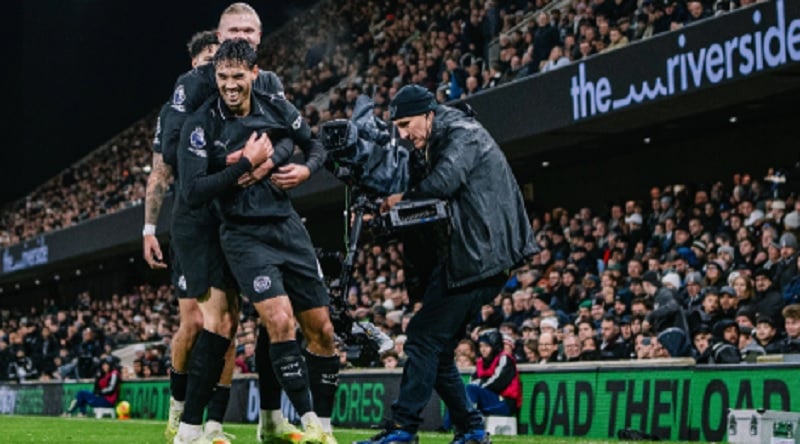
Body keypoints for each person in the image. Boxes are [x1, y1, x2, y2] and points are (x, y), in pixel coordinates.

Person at [176, 38, 335, 444]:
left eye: (237, 77)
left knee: (323, 331)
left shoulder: (274, 105)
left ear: (253, 74)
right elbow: (193, 191)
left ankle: (315, 425)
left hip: (287, 227)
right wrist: (245, 164)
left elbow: (312, 143)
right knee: (275, 321)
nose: (229, 85)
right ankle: (309, 420)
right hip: (242, 233)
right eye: (222, 77)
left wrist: (305, 170)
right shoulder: (200, 122)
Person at [358, 84, 535, 444]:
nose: (404, 135)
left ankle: (404, 428)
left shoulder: (463, 133)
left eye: (407, 125)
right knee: (434, 350)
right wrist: (382, 215)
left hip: (480, 258)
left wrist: (399, 199)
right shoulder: (430, 145)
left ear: (429, 114)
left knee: (422, 338)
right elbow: (421, 220)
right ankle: (470, 428)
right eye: (399, 128)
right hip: (465, 260)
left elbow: (444, 183)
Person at [142, 29, 223, 443]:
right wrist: (149, 228)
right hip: (191, 218)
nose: (216, 65)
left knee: (224, 321)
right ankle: (177, 410)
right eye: (210, 57)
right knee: (192, 322)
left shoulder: (232, 100)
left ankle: (212, 423)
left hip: (228, 219)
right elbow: (160, 171)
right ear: (195, 63)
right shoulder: (178, 106)